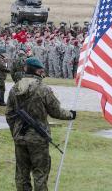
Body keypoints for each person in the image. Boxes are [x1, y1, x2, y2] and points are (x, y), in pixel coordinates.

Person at [5, 57, 76, 191]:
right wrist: (71, 115)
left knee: (21, 173)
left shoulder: (15, 88)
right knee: (40, 174)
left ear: (25, 69)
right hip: (38, 139)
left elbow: (9, 114)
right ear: (39, 71)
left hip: (19, 137)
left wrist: (15, 132)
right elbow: (56, 112)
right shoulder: (43, 89)